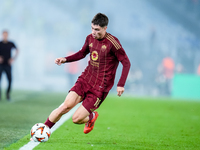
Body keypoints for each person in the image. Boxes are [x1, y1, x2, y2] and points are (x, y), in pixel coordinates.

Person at [44, 13, 131, 135]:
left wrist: (121, 84)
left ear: (105, 28)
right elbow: (81, 53)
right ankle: (42, 130)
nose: (93, 32)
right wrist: (65, 59)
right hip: (85, 79)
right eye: (92, 28)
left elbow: (126, 62)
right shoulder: (89, 38)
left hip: (100, 87)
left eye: (97, 29)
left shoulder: (113, 43)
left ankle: (91, 117)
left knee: (76, 119)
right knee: (65, 106)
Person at [0, 30, 19, 101]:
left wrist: (13, 58)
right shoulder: (0, 43)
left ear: (7, 35)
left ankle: (8, 94)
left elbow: (17, 50)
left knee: (10, 80)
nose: (5, 36)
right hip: (1, 65)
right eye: (4, 34)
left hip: (8, 65)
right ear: (2, 35)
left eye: (6, 34)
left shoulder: (11, 43)